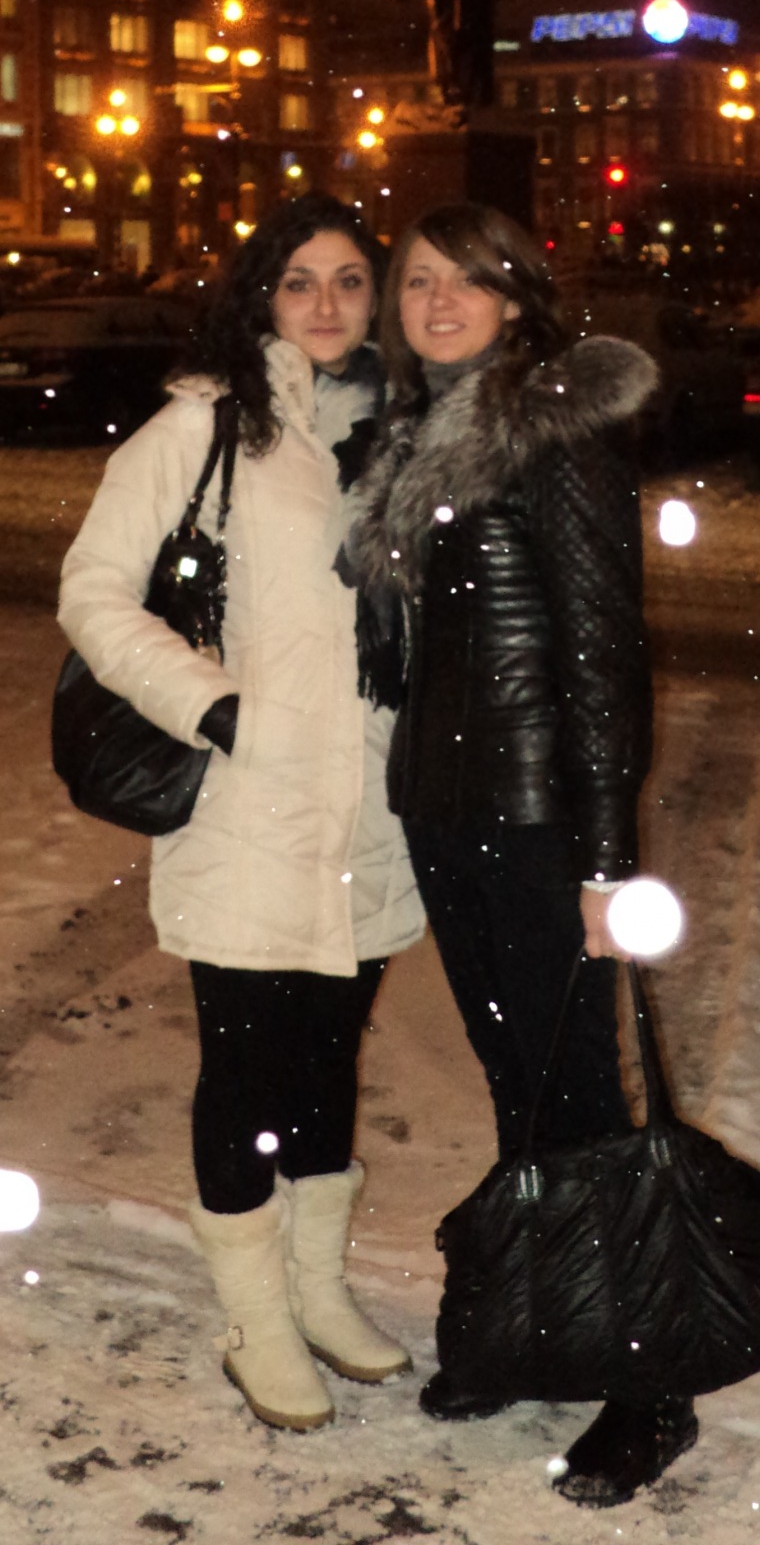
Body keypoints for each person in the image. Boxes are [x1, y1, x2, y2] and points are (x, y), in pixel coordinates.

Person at [346, 200, 698, 1507]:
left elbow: (606, 660)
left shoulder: (553, 433)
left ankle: (649, 1384)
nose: (437, 301)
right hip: (445, 811)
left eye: (466, 279)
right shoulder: (413, 434)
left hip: (543, 822)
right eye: (417, 281)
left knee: (583, 1103)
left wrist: (605, 859)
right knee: (516, 1083)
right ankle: (539, 1325)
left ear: (515, 295)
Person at [58, 192, 425, 1433]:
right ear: (261, 294)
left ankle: (316, 1289)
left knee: (328, 1059)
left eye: (351, 280)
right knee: (248, 1067)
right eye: (299, 279)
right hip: (248, 801)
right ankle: (255, 1319)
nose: (327, 303)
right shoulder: (205, 423)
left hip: (370, 812)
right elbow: (94, 591)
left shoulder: (402, 433)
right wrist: (214, 707)